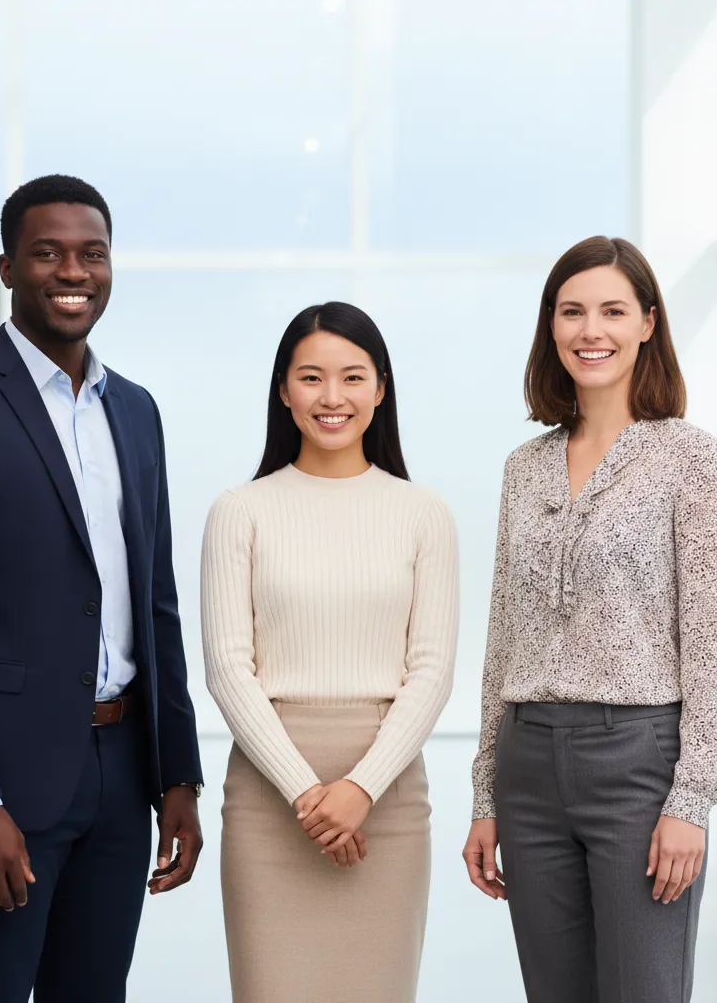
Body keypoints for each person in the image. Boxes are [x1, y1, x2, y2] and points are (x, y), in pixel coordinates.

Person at [0, 174, 204, 1003]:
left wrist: (178, 775)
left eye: (92, 253)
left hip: (121, 771)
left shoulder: (135, 412)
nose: (74, 271)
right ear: (7, 267)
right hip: (6, 779)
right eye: (49, 253)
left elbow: (154, 601)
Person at [462, 236, 717, 1003]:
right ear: (550, 326)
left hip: (639, 765)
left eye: (613, 311)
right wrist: (485, 795)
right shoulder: (526, 466)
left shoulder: (691, 459)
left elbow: (712, 643)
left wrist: (691, 801)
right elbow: (502, 636)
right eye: (572, 311)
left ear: (648, 323)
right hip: (527, 765)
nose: (593, 330)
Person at [201, 302, 458, 1003]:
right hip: (268, 796)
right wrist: (310, 796)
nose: (332, 397)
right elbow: (228, 668)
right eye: (311, 377)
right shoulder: (239, 510)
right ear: (284, 390)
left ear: (381, 388)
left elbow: (432, 672)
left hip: (389, 794)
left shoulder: (422, 512)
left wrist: (360, 789)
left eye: (352, 377)